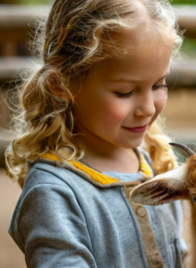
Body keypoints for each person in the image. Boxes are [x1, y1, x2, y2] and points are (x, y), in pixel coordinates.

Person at [6, 0, 186, 267]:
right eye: (124, 92)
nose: (148, 109)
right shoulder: (54, 193)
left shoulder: (155, 161)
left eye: (159, 84)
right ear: (61, 83)